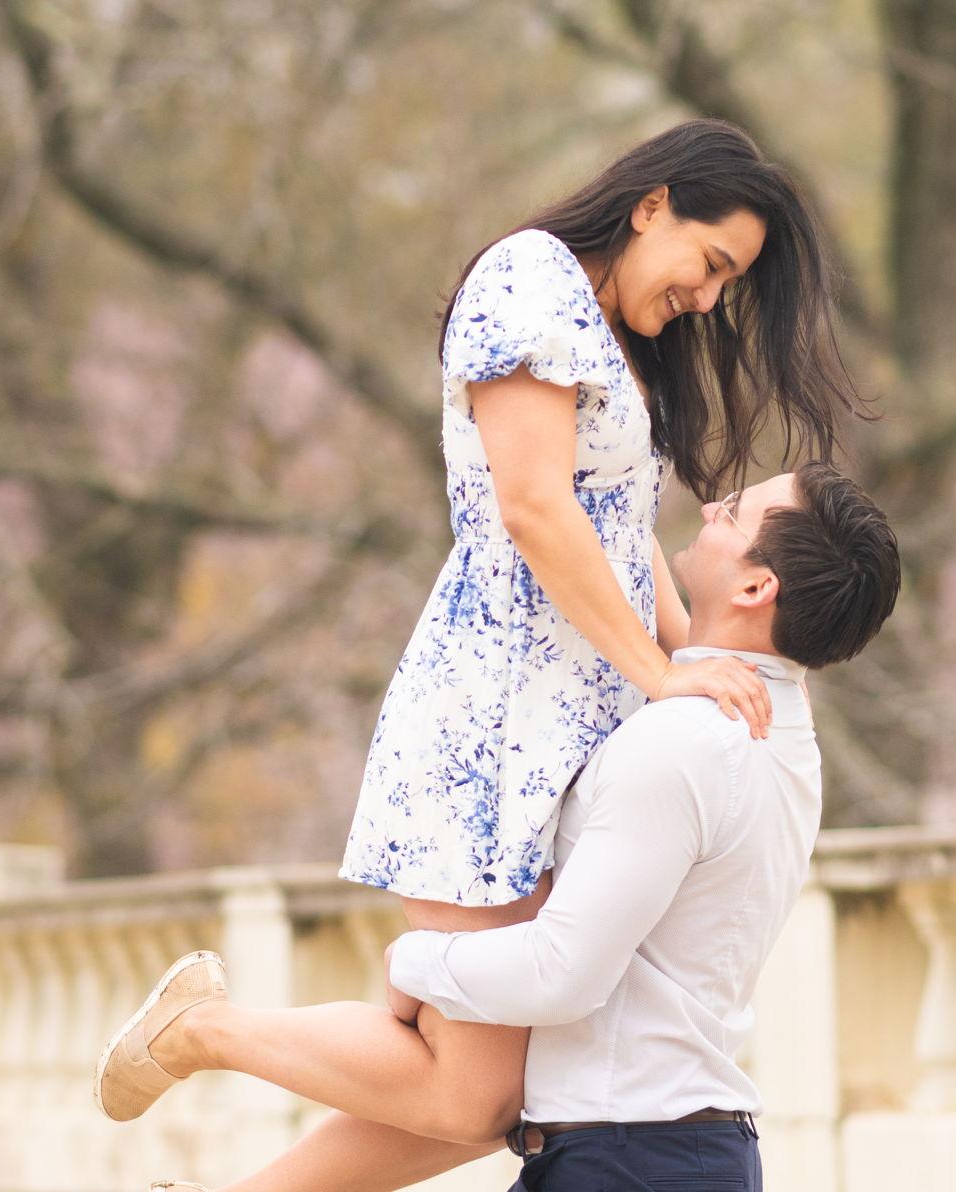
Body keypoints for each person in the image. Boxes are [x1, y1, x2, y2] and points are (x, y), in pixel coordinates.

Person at [95, 117, 865, 1190]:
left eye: (727, 281)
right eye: (710, 262)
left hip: (582, 727)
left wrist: (700, 670)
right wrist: (663, 676)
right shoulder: (529, 280)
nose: (707, 297)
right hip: (493, 725)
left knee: (503, 1093)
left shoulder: (617, 337)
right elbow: (534, 506)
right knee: (476, 1093)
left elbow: (616, 530)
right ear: (651, 207)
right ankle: (199, 1030)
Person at [105, 463, 899, 1192]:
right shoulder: (783, 734)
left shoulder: (683, 743)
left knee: (468, 1099)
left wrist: (415, 961)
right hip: (641, 1152)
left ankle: (205, 1035)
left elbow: (562, 974)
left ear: (758, 586)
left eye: (733, 513)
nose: (709, 511)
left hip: (633, 1161)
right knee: (471, 1100)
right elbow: (635, 561)